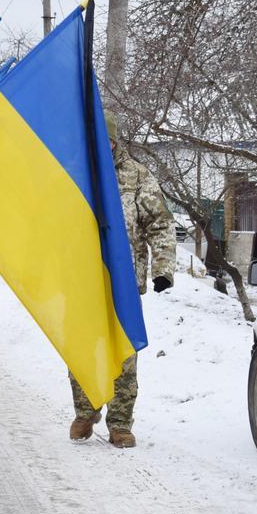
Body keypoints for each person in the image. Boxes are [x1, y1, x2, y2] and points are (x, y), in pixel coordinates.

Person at [68, 112, 175, 448]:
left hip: (123, 281)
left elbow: (159, 223)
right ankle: (86, 411)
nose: (103, 145)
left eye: (108, 139)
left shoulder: (137, 176)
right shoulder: (75, 172)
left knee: (123, 353)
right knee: (83, 348)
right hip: (83, 278)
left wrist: (162, 268)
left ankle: (120, 423)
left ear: (115, 140)